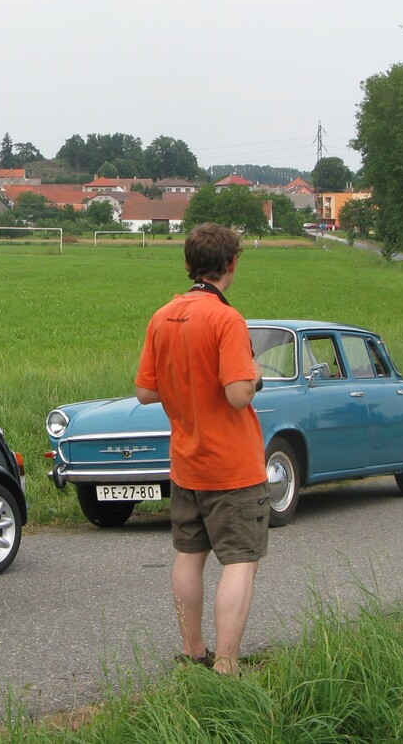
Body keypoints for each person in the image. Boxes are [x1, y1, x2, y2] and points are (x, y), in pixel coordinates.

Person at [135, 222, 267, 676]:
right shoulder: (226, 319)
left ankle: (194, 653)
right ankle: (227, 665)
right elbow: (238, 395)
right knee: (241, 561)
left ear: (190, 264)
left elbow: (145, 392)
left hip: (186, 461)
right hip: (232, 465)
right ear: (232, 264)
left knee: (189, 556)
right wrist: (254, 376)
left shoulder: (163, 316)